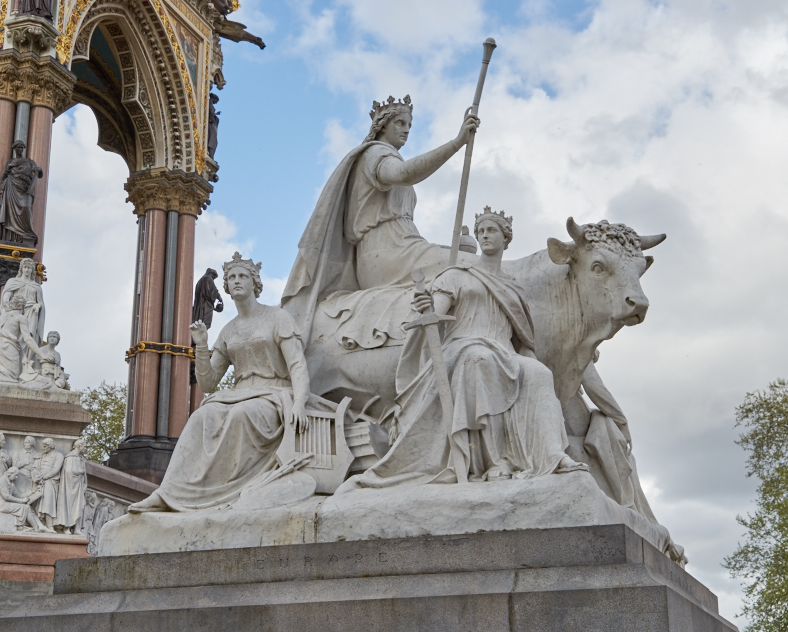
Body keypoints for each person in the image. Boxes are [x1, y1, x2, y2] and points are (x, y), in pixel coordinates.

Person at [341, 209, 587, 490]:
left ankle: (552, 455)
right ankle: (494, 461)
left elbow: (522, 338)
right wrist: (426, 306)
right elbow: (435, 314)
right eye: (481, 231)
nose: (484, 236)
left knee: (540, 373)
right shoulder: (455, 275)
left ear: (506, 238)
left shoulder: (513, 287)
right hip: (464, 347)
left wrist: (534, 362)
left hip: (505, 351)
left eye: (491, 230)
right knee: (480, 361)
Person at [128, 252, 312, 513]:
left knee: (239, 415)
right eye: (232, 277)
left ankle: (229, 493)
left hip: (273, 394)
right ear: (225, 286)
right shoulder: (228, 330)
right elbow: (208, 382)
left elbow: (297, 365)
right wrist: (202, 345)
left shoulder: (277, 318)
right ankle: (168, 493)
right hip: (239, 394)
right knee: (200, 417)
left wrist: (300, 402)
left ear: (254, 283)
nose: (236, 281)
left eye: (243, 276)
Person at [282, 95, 480, 331]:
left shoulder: (387, 154)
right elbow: (403, 173)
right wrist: (456, 143)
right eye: (400, 123)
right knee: (474, 267)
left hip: (405, 246)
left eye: (409, 125)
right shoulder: (375, 153)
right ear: (383, 125)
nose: (406, 130)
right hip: (387, 255)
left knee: (465, 258)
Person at [0, 295, 52, 383]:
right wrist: (43, 355)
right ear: (23, 306)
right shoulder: (21, 318)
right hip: (10, 350)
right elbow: (28, 339)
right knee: (12, 379)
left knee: (4, 380)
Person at [0, 141, 43, 246]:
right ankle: (12, 238)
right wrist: (9, 168)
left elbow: (39, 174)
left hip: (25, 189)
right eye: (18, 147)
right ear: (14, 149)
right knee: (11, 213)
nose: (20, 149)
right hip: (12, 187)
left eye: (22, 147)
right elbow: (2, 178)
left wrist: (39, 170)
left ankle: (27, 234)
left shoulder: (29, 162)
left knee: (26, 208)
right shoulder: (11, 162)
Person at [0, 258, 45, 356]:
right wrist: (6, 299)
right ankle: (14, 354)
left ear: (32, 270)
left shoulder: (36, 286)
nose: (27, 270)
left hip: (31, 311)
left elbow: (40, 302)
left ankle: (27, 357)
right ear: (21, 269)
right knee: (15, 333)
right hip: (16, 310)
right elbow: (7, 294)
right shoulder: (13, 281)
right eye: (25, 267)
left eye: (29, 268)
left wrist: (37, 305)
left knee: (28, 334)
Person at [0, 468, 52, 533]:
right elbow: (6, 497)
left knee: (27, 506)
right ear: (10, 473)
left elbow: (19, 495)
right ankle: (26, 527)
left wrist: (33, 491)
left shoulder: (10, 482)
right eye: (15, 475)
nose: (16, 477)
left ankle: (37, 527)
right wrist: (21, 501)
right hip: (1, 504)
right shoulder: (1, 480)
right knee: (24, 507)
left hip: (7, 503)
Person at [56, 439, 87, 534]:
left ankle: (77, 528)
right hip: (70, 486)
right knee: (69, 505)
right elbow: (68, 471)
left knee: (79, 505)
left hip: (79, 486)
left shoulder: (81, 458)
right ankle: (67, 527)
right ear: (79, 446)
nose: (85, 448)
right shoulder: (70, 457)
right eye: (84, 446)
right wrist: (80, 472)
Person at [33, 438, 63, 529]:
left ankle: (50, 525)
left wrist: (43, 477)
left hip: (51, 481)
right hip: (39, 481)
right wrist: (37, 477)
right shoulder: (41, 455)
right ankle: (40, 525)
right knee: (37, 502)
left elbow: (55, 470)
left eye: (45, 446)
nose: (43, 448)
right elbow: (35, 468)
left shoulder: (59, 455)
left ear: (50, 446)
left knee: (48, 502)